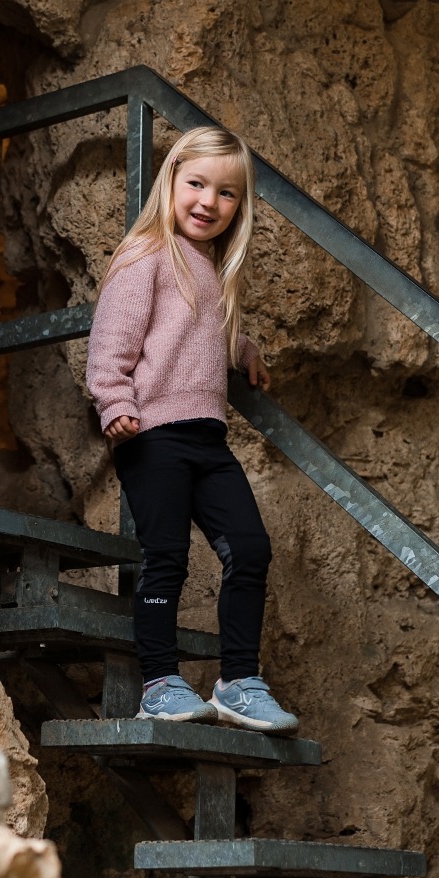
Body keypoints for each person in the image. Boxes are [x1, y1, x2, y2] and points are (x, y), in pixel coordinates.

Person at [85, 125, 298, 735]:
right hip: (150, 434)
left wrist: (246, 349)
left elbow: (203, 334)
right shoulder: (145, 255)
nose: (209, 202)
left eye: (226, 194)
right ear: (171, 182)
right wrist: (113, 400)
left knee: (250, 548)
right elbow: (112, 341)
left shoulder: (212, 268)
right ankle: (158, 683)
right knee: (168, 558)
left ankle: (238, 681)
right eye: (197, 184)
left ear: (240, 207)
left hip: (207, 437)